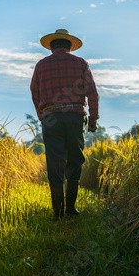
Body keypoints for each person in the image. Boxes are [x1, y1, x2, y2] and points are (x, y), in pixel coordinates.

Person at [30, 29, 99, 221]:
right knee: (75, 159)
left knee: (55, 161)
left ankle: (57, 212)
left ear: (52, 47)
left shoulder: (41, 65)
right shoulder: (81, 63)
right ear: (69, 47)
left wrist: (42, 115)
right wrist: (93, 119)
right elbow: (92, 93)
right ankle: (71, 207)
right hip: (75, 117)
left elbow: (34, 92)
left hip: (51, 118)